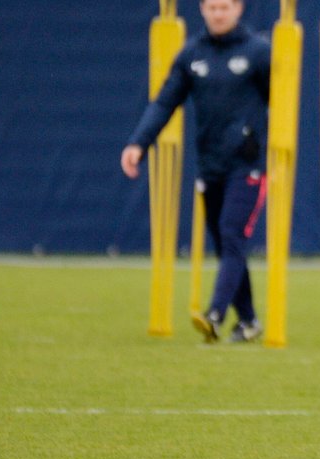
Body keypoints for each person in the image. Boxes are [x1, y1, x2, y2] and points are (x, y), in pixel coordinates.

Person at [121, 0, 269, 343]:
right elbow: (164, 102)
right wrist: (138, 143)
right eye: (212, 7)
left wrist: (261, 140)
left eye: (225, 6)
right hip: (209, 165)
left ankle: (215, 314)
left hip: (247, 166)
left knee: (232, 234)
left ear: (239, 8)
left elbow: (281, 100)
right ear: (202, 9)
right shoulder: (192, 54)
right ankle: (248, 320)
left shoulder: (259, 51)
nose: (218, 13)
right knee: (224, 241)